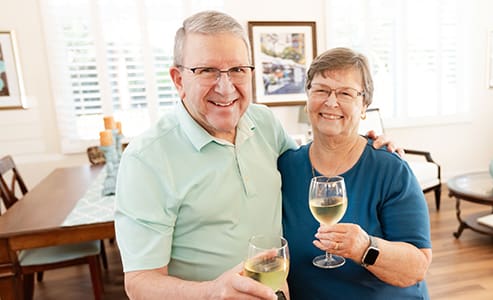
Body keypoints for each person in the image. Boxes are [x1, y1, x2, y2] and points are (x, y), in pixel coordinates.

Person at [114, 11, 396, 300]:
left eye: (237, 69)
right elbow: (139, 283)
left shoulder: (263, 122)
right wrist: (213, 293)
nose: (225, 87)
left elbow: (312, 162)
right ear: (178, 79)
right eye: (207, 70)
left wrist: (365, 145)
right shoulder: (146, 159)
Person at [278, 47, 432, 299]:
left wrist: (365, 248)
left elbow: (417, 266)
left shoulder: (390, 169)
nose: (331, 102)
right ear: (307, 97)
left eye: (346, 93)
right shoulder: (285, 168)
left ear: (364, 106)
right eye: (321, 90)